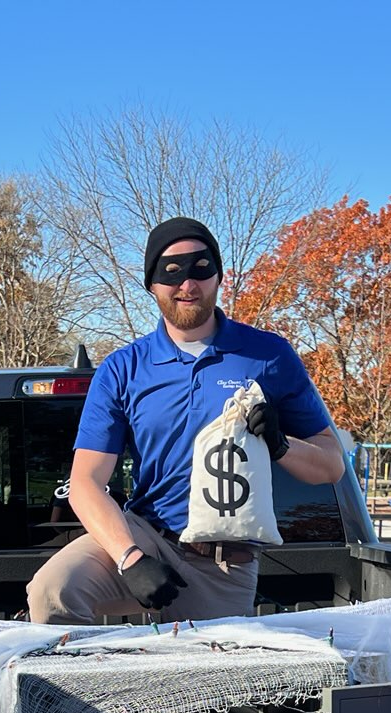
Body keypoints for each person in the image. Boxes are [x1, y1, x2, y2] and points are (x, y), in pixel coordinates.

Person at [27, 216, 346, 624]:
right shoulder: (123, 368)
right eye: (171, 273)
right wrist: (130, 557)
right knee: (53, 591)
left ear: (218, 276)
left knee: (212, 686)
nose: (188, 285)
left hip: (224, 562)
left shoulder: (269, 355)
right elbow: (86, 484)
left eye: (201, 269)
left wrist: (282, 444)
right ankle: (79, 688)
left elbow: (332, 465)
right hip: (146, 538)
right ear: (152, 284)